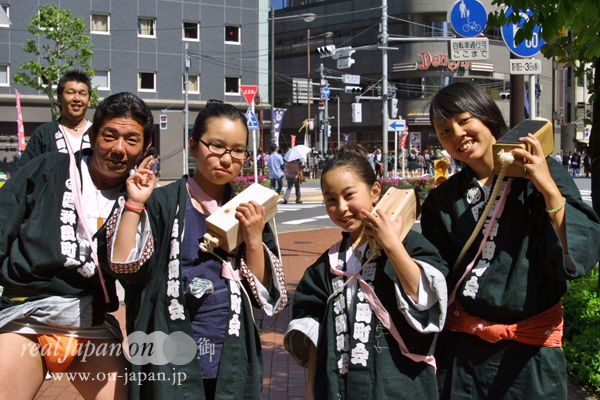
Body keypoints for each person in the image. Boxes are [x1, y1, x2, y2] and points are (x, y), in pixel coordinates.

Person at [421, 82, 600, 400]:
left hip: (528, 358)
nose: (457, 134)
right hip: (462, 353)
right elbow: (435, 273)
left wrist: (548, 189)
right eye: (445, 130)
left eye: (464, 120)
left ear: (487, 117)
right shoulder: (442, 200)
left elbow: (578, 255)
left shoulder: (542, 174)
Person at [102, 100, 287, 400]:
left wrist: (253, 238)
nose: (226, 159)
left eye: (238, 150)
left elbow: (265, 297)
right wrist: (135, 203)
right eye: (216, 145)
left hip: (230, 353)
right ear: (192, 145)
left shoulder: (250, 209)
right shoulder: (161, 202)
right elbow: (124, 267)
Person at [0, 92, 154, 400]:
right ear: (93, 135)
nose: (119, 149)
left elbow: (135, 276)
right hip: (24, 314)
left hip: (89, 321)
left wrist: (135, 207)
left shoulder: (140, 198)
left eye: (132, 140)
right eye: (109, 136)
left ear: (146, 147)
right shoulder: (47, 168)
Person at [284, 143, 448, 400]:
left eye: (349, 195)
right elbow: (313, 335)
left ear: (374, 191)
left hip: (400, 386)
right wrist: (310, 393)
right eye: (330, 199)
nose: (341, 207)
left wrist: (392, 245)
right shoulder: (326, 266)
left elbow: (426, 299)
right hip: (339, 388)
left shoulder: (412, 246)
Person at [17, 70, 93, 169]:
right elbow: (24, 172)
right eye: (71, 92)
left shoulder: (99, 133)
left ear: (89, 101)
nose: (77, 98)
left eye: (82, 94)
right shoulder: (44, 133)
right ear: (59, 99)